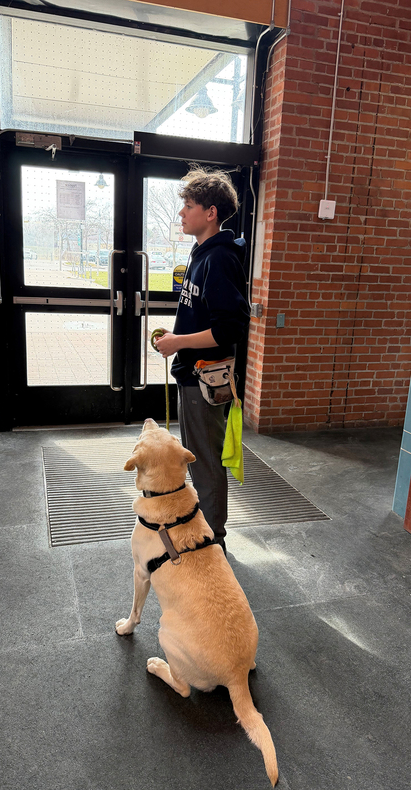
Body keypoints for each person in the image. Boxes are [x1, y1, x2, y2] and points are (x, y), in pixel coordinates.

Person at [154, 167, 250, 552]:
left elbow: (229, 330)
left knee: (206, 464)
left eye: (188, 206)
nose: (182, 214)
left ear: (210, 213)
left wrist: (179, 343)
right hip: (193, 374)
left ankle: (215, 544)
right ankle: (210, 536)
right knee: (201, 461)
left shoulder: (220, 259)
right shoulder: (202, 254)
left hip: (204, 379)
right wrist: (177, 339)